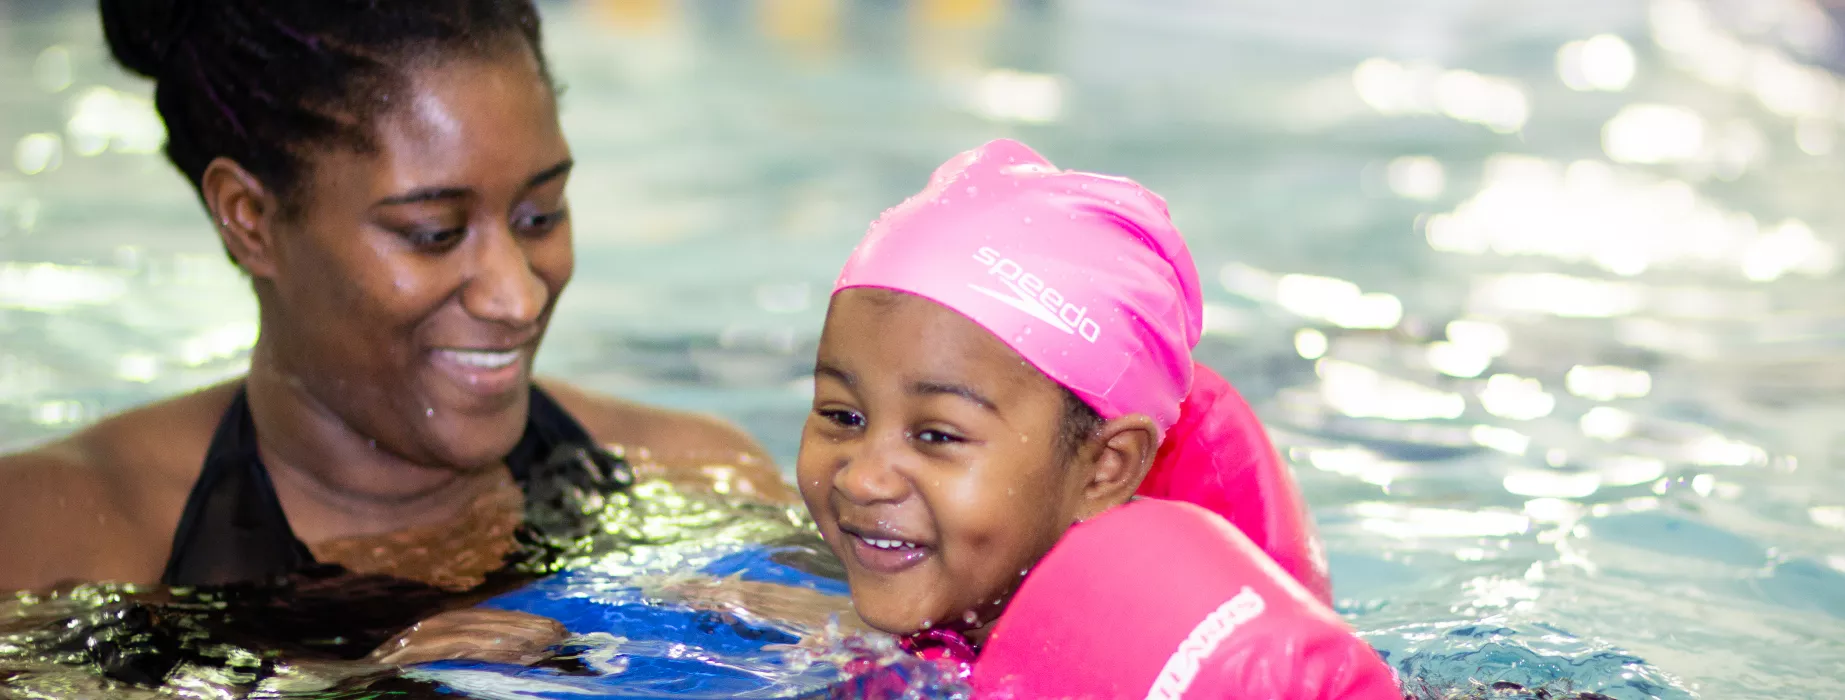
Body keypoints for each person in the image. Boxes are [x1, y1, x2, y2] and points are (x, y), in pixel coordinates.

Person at [0, 0, 795, 662]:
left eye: (539, 215)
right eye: (432, 232)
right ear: (250, 220)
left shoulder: (701, 482)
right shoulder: (54, 534)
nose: (517, 296)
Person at [795, 137, 1385, 694]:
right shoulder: (831, 626)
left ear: (1105, 466)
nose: (862, 478)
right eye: (843, 416)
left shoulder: (1199, 665)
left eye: (936, 435)